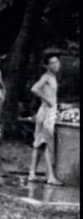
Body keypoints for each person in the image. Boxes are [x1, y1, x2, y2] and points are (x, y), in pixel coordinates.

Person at [29, 55, 63, 185]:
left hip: (48, 111)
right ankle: (50, 177)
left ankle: (32, 173)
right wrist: (47, 100)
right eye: (52, 63)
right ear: (47, 66)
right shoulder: (46, 77)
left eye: (57, 62)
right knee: (48, 144)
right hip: (46, 112)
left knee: (38, 143)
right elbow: (34, 88)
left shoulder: (52, 77)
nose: (56, 65)